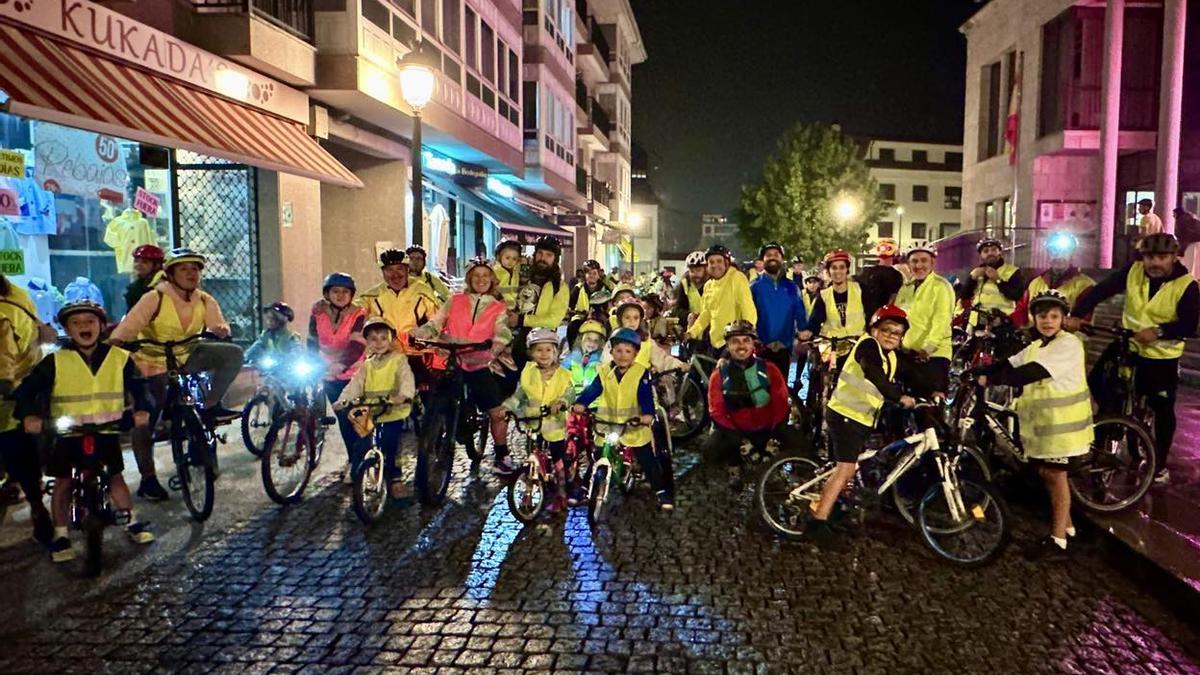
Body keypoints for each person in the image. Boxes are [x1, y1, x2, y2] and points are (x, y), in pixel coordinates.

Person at [15, 301, 155, 562]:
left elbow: (139, 387)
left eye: (90, 322)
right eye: (76, 323)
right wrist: (28, 415)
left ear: (101, 326)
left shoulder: (120, 358)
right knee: (64, 482)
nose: (84, 327)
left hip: (107, 428)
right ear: (67, 329)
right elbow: (27, 390)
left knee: (115, 477)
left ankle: (132, 520)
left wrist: (143, 409)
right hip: (69, 433)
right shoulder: (55, 360)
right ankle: (61, 534)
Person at [111, 247, 241, 502]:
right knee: (146, 418)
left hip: (185, 355)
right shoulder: (154, 297)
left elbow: (216, 323)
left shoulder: (204, 299)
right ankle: (148, 478)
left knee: (232, 353)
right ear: (170, 273)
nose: (191, 274)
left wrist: (221, 329)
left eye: (195, 269)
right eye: (184, 269)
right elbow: (128, 327)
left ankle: (212, 404)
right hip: (152, 360)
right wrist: (117, 343)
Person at [1068, 233, 1199, 484]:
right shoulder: (1134, 271)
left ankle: (1159, 463)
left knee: (1162, 408)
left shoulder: (1187, 285)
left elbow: (1190, 324)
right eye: (1150, 257)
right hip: (1127, 346)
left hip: (1161, 355)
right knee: (1097, 382)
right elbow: (1101, 291)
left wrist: (1160, 331)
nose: (1155, 263)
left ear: (1174, 257)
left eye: (1162, 257)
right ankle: (1108, 432)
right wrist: (1077, 315)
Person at [975, 290, 1092, 561]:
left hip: (1063, 427)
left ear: (1063, 319)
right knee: (1046, 474)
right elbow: (1012, 362)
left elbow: (1030, 373)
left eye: (1054, 316)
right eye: (1042, 316)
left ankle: (1058, 541)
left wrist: (992, 381)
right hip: (1045, 427)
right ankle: (1069, 528)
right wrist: (982, 371)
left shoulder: (1068, 344)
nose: (1048, 321)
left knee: (1054, 476)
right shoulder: (1039, 345)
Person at [805, 306, 936, 545]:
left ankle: (835, 511)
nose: (891, 335)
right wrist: (898, 397)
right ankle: (817, 523)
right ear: (874, 329)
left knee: (852, 467)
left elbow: (913, 375)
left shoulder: (893, 356)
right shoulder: (868, 346)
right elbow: (873, 372)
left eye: (897, 333)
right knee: (845, 469)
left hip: (861, 418)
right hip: (845, 415)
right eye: (886, 330)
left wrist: (933, 391)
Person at [412, 257, 517, 476]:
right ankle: (436, 432)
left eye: (485, 276)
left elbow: (503, 331)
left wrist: (495, 347)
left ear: (492, 279)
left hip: (479, 361)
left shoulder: (497, 307)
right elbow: (436, 322)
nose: (481, 280)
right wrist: (422, 334)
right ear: (469, 279)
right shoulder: (455, 300)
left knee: (496, 411)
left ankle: (501, 454)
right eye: (476, 276)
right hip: (452, 358)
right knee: (435, 398)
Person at [573, 328, 673, 511]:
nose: (622, 355)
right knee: (597, 454)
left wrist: (647, 415)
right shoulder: (604, 371)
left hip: (633, 424)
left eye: (628, 351)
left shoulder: (640, 373)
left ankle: (661, 490)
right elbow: (594, 389)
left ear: (635, 354)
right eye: (618, 350)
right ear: (611, 352)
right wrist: (581, 403)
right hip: (607, 423)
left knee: (646, 458)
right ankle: (584, 488)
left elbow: (645, 397)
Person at [706, 320, 800, 487]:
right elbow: (716, 412)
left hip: (767, 428)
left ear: (753, 344)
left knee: (798, 440)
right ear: (727, 346)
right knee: (711, 448)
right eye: (735, 341)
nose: (741, 346)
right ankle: (734, 464)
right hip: (737, 431)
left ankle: (773, 465)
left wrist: (773, 435)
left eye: (746, 340)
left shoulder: (770, 369)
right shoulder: (719, 375)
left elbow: (781, 404)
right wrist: (739, 439)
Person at [333, 317, 416, 499]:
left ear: (391, 340)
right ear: (368, 342)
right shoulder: (367, 364)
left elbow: (406, 379)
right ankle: (357, 475)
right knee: (361, 444)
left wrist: (404, 395)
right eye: (373, 339)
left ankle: (395, 478)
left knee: (390, 444)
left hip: (391, 410)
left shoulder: (398, 360)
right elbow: (354, 385)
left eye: (383, 338)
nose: (378, 343)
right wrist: (343, 400)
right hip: (367, 410)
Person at [0, 272, 55, 546]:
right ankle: (35, 504)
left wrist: (7, 385)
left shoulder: (3, 314)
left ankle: (36, 507)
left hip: (10, 393)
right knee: (23, 452)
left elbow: (3, 362)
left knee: (14, 446)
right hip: (30, 382)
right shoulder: (16, 292)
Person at [502, 328, 577, 511]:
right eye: (539, 350)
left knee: (558, 459)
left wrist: (561, 402)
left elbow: (570, 393)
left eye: (548, 350)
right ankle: (529, 491)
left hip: (554, 425)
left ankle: (561, 493)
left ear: (555, 352)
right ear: (531, 353)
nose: (544, 354)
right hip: (532, 422)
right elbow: (519, 394)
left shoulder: (563, 374)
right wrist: (508, 407)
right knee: (531, 454)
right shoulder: (528, 372)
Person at [357, 248, 440, 387]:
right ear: (383, 272)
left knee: (426, 395)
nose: (395, 274)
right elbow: (353, 311)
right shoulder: (372, 295)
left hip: (417, 354)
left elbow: (437, 319)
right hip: (384, 353)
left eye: (400, 269)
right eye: (389, 270)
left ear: (407, 269)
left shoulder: (423, 290)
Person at [309, 272, 366, 472]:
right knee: (343, 420)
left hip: (352, 374)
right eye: (335, 291)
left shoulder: (359, 314)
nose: (340, 295)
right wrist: (311, 361)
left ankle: (363, 459)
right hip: (328, 374)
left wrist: (342, 364)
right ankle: (354, 460)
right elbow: (312, 340)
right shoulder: (318, 312)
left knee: (357, 419)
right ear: (327, 293)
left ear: (351, 294)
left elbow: (357, 344)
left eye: (345, 292)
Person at [894, 244, 955, 394]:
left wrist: (928, 348)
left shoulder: (941, 287)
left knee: (930, 409)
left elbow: (941, 320)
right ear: (908, 264)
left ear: (932, 263)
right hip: (907, 354)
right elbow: (897, 319)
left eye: (923, 260)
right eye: (914, 261)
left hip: (932, 355)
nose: (919, 265)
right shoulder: (905, 288)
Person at [750, 242, 806, 388]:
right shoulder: (754, 287)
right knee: (759, 393)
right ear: (762, 260)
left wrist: (803, 336)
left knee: (780, 391)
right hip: (760, 348)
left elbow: (800, 315)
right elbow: (747, 315)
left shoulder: (792, 287)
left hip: (784, 348)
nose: (772, 258)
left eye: (776, 255)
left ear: (782, 259)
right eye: (768, 255)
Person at [686, 244, 757, 356]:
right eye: (711, 262)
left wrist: (747, 337)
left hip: (733, 343)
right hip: (715, 343)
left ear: (727, 263)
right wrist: (691, 333)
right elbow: (706, 314)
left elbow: (748, 308)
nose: (715, 265)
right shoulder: (708, 285)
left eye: (719, 261)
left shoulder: (736, 278)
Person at [1013, 232, 1095, 327]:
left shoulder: (1085, 286)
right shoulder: (1035, 283)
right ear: (1048, 254)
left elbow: (1084, 322)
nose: (1058, 256)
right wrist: (1007, 321)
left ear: (1072, 254)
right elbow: (1021, 311)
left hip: (1068, 340)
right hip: (1035, 340)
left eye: (1064, 252)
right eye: (1053, 251)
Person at [512, 236, 570, 367]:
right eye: (540, 253)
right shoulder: (522, 276)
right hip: (512, 336)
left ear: (555, 259)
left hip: (541, 341)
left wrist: (522, 320)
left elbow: (554, 319)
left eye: (548, 255)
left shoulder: (559, 287)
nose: (543, 258)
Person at [800, 249, 866, 350]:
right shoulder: (823, 296)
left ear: (847, 270)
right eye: (834, 268)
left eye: (842, 267)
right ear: (829, 271)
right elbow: (815, 322)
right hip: (832, 349)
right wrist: (806, 333)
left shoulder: (860, 290)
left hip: (858, 348)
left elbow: (871, 316)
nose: (838, 271)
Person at [958, 238, 1024, 316]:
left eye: (994, 250)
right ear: (981, 255)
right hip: (977, 320)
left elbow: (1016, 295)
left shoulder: (1013, 271)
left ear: (999, 252)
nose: (990, 253)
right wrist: (971, 278)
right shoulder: (977, 272)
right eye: (986, 251)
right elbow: (963, 296)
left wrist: (998, 280)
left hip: (1004, 320)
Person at [857, 240, 905, 320]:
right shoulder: (868, 272)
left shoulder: (896, 275)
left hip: (880, 317)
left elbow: (893, 298)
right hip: (869, 315)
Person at [567, 259, 609, 346]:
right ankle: (573, 348)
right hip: (581, 316)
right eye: (589, 273)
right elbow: (570, 303)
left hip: (599, 316)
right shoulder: (578, 288)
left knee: (608, 327)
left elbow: (609, 305)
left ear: (598, 275)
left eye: (594, 273)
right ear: (585, 275)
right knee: (572, 327)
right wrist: (569, 310)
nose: (592, 276)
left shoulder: (605, 288)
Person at [563, 319, 606, 394]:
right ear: (580, 339)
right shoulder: (570, 359)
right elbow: (560, 375)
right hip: (571, 398)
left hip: (592, 401)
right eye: (588, 338)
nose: (592, 343)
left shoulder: (601, 360)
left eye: (596, 341)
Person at [124, 244, 164, 314]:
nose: (138, 264)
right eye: (136, 261)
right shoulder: (134, 287)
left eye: (145, 262)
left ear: (157, 265)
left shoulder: (163, 285)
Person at [675, 251, 708, 327]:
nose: (695, 274)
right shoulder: (685, 284)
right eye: (692, 271)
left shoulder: (713, 284)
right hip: (692, 327)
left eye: (698, 270)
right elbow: (678, 309)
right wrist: (688, 315)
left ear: (705, 270)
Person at [494, 240, 524, 308]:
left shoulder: (515, 272)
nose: (510, 261)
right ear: (499, 257)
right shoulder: (496, 272)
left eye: (514, 259)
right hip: (499, 307)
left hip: (512, 306)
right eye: (507, 258)